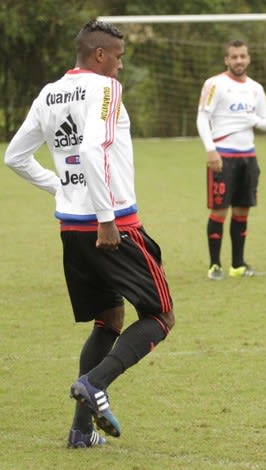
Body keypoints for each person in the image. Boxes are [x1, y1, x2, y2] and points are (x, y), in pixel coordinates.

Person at [4, 20, 175, 448]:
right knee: (160, 316)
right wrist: (105, 217)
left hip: (71, 229)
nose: (119, 67)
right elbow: (93, 147)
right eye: (117, 58)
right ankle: (96, 383)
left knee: (109, 319)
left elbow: (15, 156)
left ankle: (80, 432)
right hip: (111, 226)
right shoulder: (104, 89)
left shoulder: (49, 93)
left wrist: (61, 188)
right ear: (99, 55)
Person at [196, 39, 266, 280]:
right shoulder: (215, 84)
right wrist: (211, 150)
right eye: (234, 57)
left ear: (248, 58)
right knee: (219, 211)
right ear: (227, 60)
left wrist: (253, 121)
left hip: (248, 157)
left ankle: (238, 265)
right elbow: (202, 118)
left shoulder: (256, 88)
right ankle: (214, 266)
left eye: (243, 56)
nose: (239, 61)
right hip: (223, 156)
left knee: (242, 211)